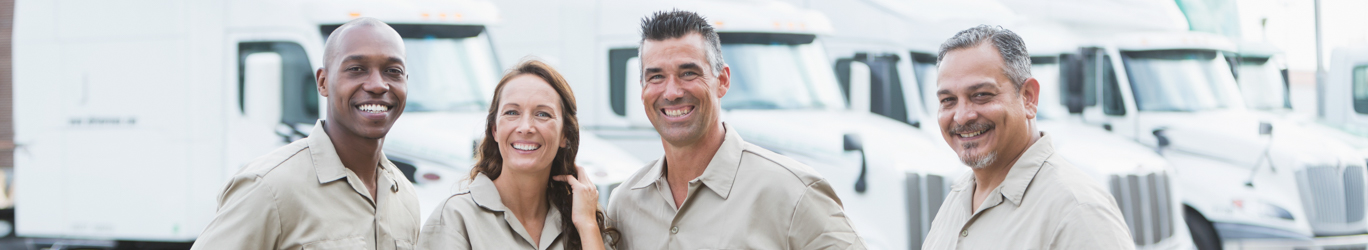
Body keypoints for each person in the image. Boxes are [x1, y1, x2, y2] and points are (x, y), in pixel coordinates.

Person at [605, 10, 865, 249]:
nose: (672, 92)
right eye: (656, 77)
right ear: (642, 90)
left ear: (723, 80)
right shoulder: (626, 202)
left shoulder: (793, 192)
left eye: (688, 73)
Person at [192, 17, 420, 249]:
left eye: (393, 71)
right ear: (322, 82)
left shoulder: (405, 196)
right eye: (356, 69)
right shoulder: (269, 187)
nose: (378, 85)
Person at [922, 25, 1134, 249]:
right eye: (948, 100)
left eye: (981, 95)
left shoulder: (1077, 211)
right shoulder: (959, 197)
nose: (962, 116)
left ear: (1028, 98)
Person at [417, 59, 616, 249]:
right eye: (512, 112)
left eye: (542, 114)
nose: (525, 127)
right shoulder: (455, 218)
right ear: (494, 129)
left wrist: (587, 225)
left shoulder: (585, 218)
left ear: (565, 134)